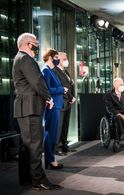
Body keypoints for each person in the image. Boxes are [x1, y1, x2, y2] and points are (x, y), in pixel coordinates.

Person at [12, 33, 62, 190]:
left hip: (24, 108)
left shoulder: (19, 58)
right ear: (27, 44)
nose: (37, 46)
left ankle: (27, 178)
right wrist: (49, 98)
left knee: (27, 145)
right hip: (31, 107)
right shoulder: (26, 59)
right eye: (35, 43)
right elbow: (38, 82)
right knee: (35, 145)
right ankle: (39, 180)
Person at [41, 48, 68, 169]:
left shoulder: (51, 70)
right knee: (50, 133)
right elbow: (47, 90)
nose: (59, 60)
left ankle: (50, 159)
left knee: (52, 133)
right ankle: (50, 160)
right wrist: (62, 89)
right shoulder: (46, 70)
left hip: (56, 105)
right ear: (50, 57)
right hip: (52, 106)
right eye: (56, 57)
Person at [52, 52, 76, 155]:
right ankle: (55, 149)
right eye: (64, 59)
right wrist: (70, 97)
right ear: (58, 60)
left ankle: (64, 145)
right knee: (58, 126)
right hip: (61, 102)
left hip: (68, 102)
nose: (66, 60)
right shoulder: (54, 71)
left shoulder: (66, 72)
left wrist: (72, 97)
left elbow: (70, 86)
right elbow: (61, 87)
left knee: (65, 126)